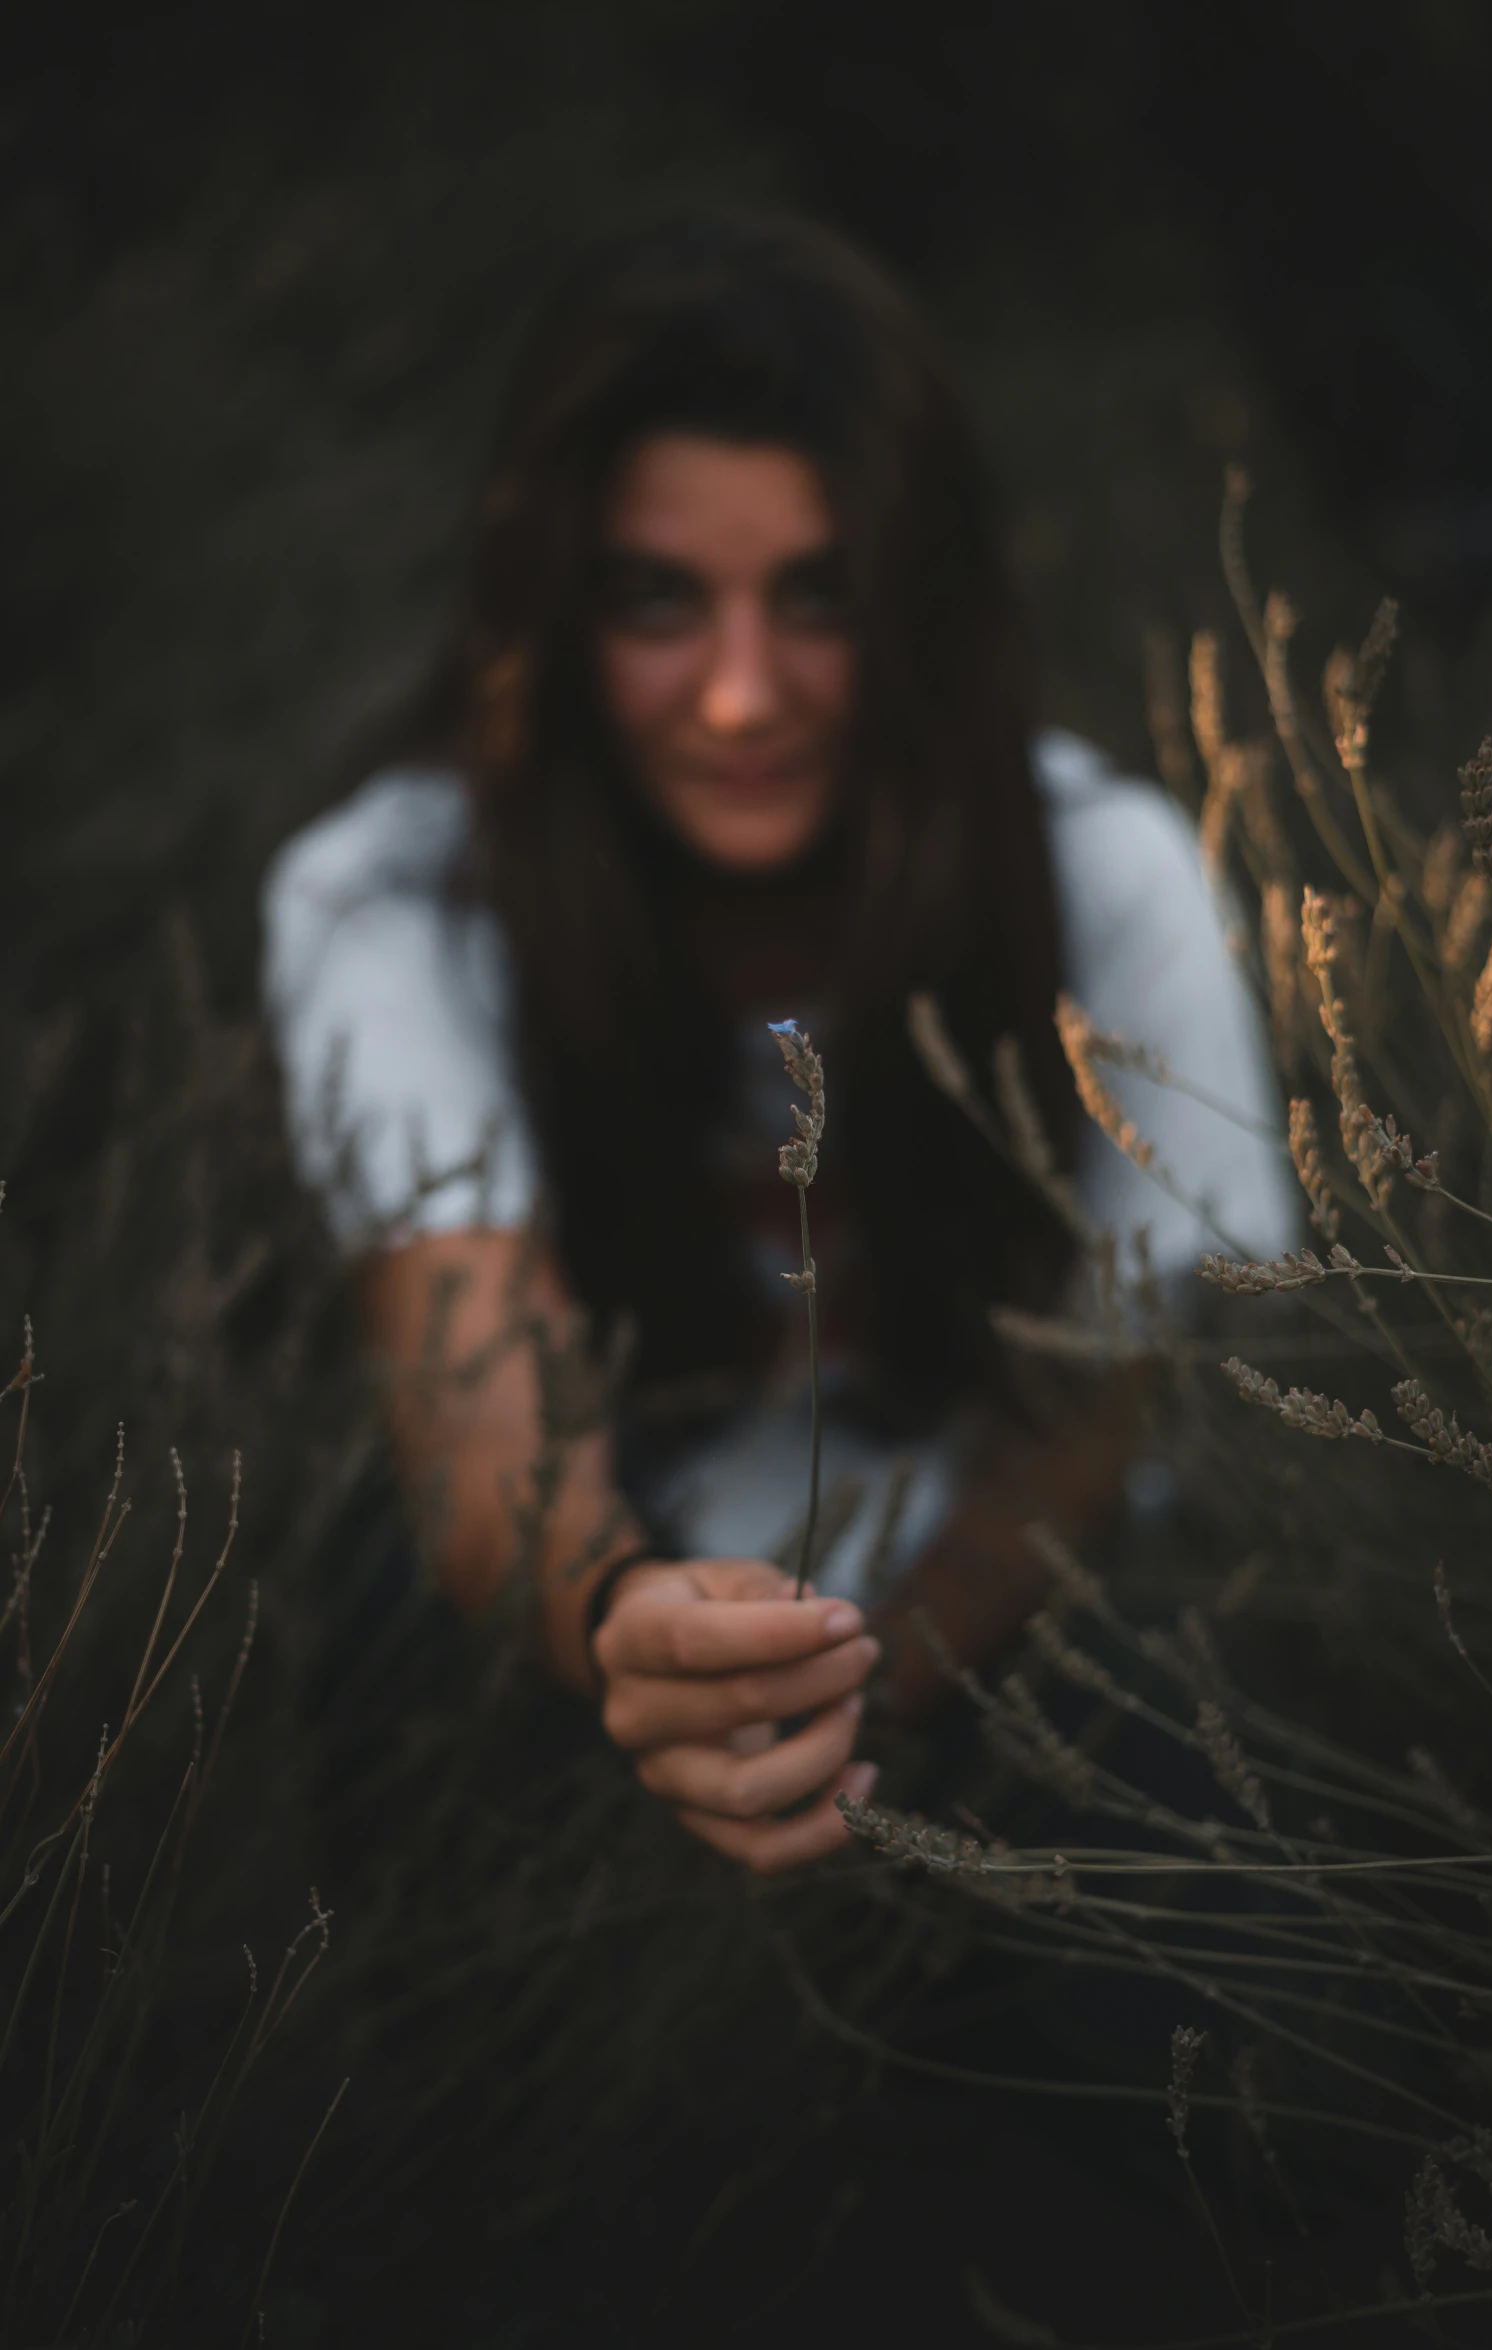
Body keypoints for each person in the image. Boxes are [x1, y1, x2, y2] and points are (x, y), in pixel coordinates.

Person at [262, 211, 1294, 1876]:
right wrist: (623, 1623)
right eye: (657, 602)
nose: (741, 697)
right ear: (550, 607)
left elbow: (1096, 1416)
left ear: (923, 605)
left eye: (819, 597)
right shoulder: (393, 899)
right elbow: (476, 1415)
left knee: (1188, 1729)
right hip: (618, 1587)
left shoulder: (1106, 882)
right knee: (386, 1602)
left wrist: (875, 1685)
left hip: (1009, 1599)